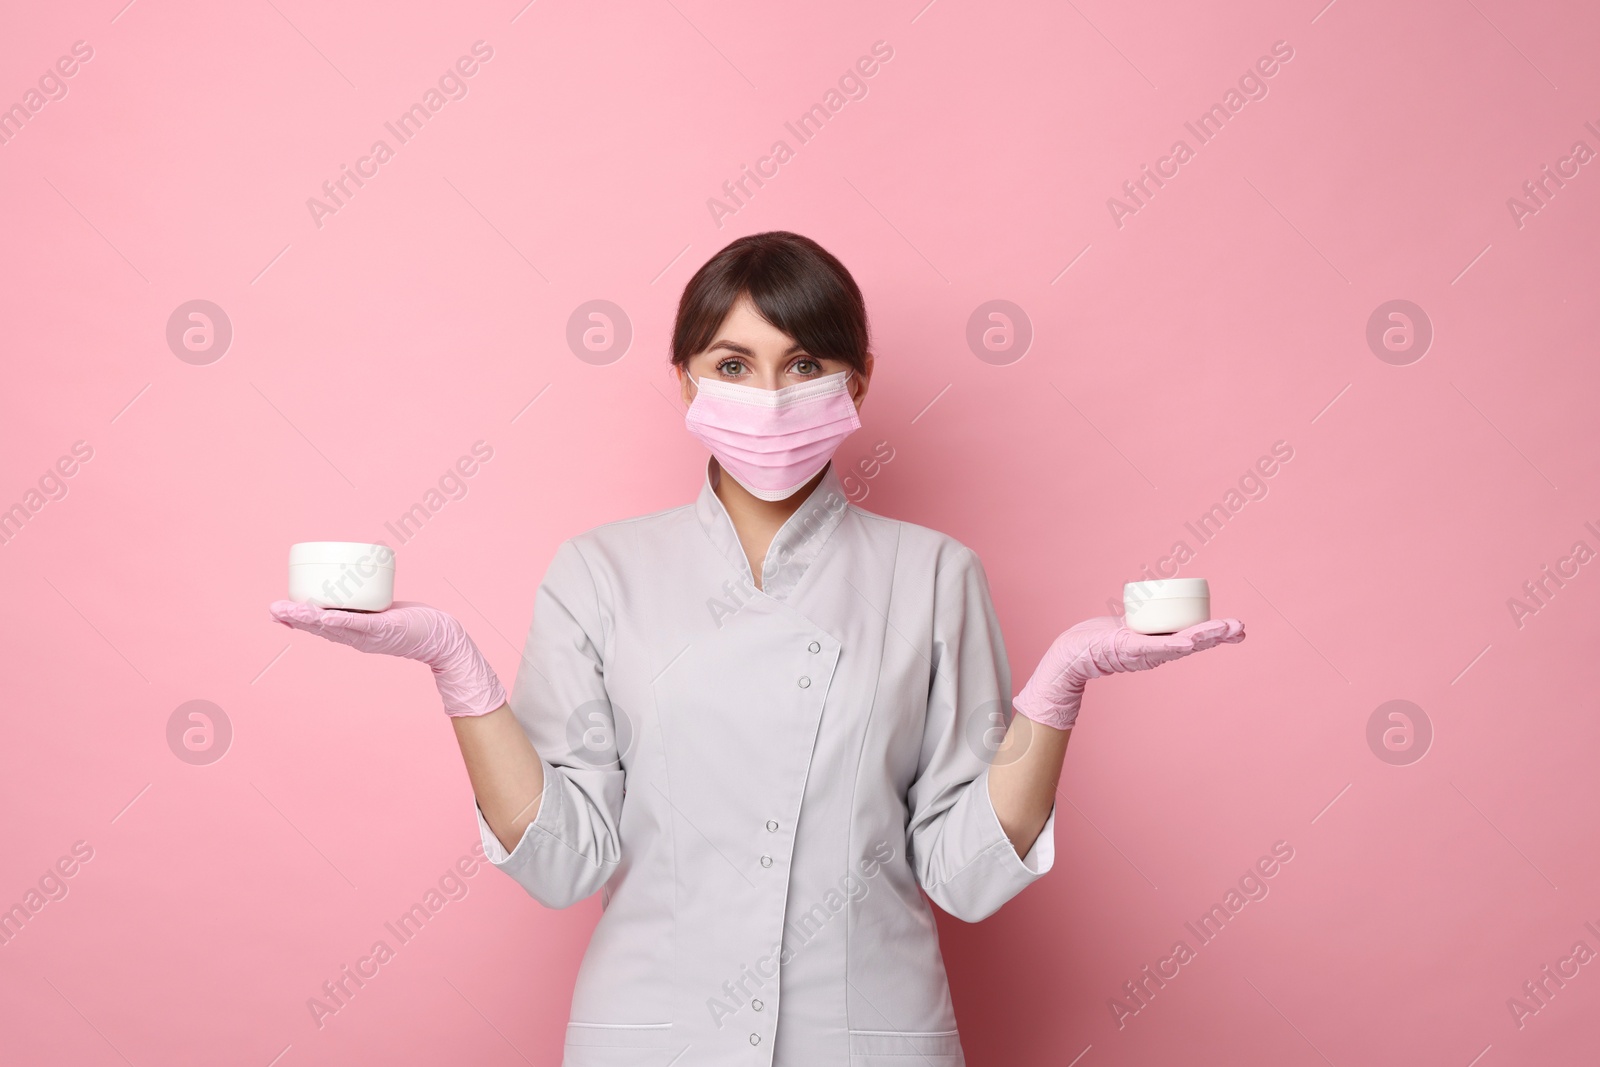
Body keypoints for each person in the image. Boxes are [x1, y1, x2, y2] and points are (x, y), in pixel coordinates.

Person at [268, 231, 1245, 1066]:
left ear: (857, 381)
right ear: (684, 376)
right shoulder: (600, 570)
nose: (769, 395)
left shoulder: (935, 573)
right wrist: (455, 663)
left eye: (804, 363)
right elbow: (565, 860)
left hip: (866, 1034)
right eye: (733, 364)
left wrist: (1059, 686)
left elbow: (965, 870)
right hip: (651, 1035)